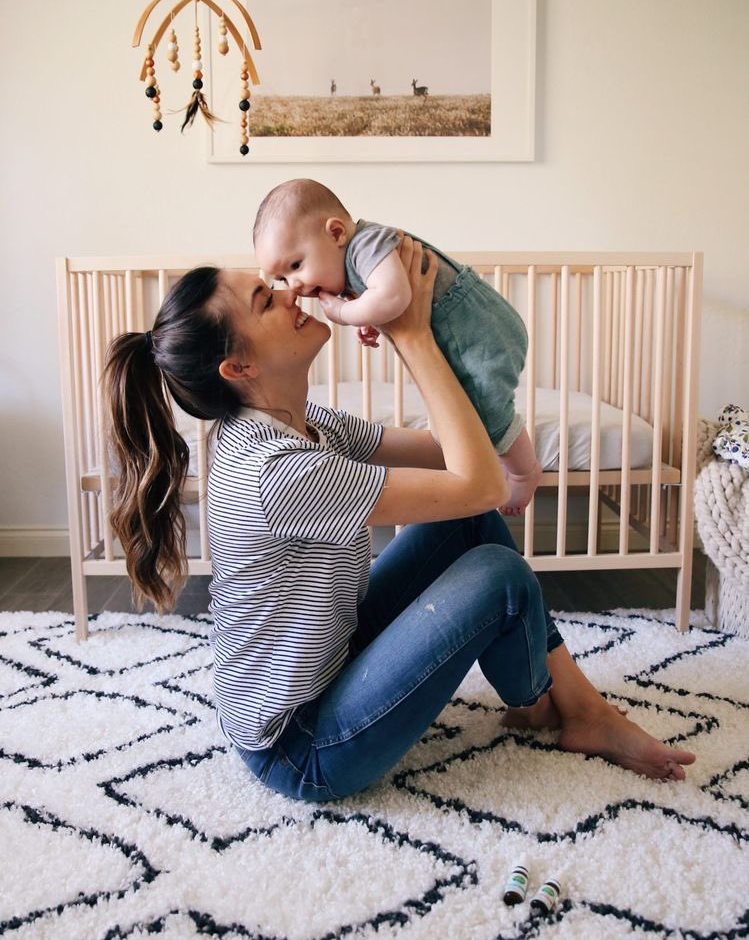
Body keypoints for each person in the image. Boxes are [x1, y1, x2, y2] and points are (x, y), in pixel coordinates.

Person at [103, 235, 695, 803]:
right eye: (265, 299)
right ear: (239, 367)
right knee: (500, 575)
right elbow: (483, 485)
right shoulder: (274, 471)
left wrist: (415, 327)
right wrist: (412, 336)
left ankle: (580, 709)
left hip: (336, 653)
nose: (291, 291)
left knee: (467, 529)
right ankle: (543, 703)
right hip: (299, 745)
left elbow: (450, 452)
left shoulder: (307, 422)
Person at [251, 178, 542, 516]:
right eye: (282, 279)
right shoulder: (357, 258)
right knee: (468, 413)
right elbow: (388, 299)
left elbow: (394, 296)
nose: (294, 287)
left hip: (480, 333)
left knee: (487, 413)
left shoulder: (367, 244)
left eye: (296, 266)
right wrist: (369, 315)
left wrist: (346, 312)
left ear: (336, 233)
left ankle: (524, 472)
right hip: (462, 334)